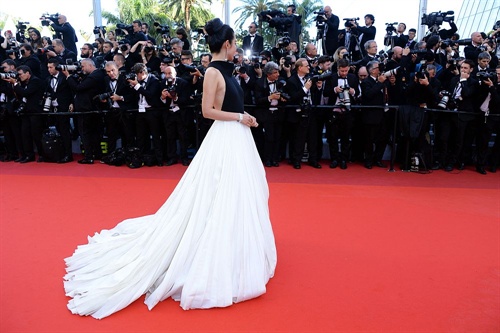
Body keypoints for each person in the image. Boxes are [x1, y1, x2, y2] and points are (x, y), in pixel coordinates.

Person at [64, 17, 277, 319]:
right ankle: (216, 247)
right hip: (226, 138)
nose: (237, 49)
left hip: (237, 136)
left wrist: (243, 115)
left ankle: (237, 245)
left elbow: (226, 105)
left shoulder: (228, 70)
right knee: (221, 190)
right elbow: (208, 111)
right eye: (235, 44)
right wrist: (240, 117)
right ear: (227, 44)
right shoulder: (214, 71)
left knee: (240, 190)